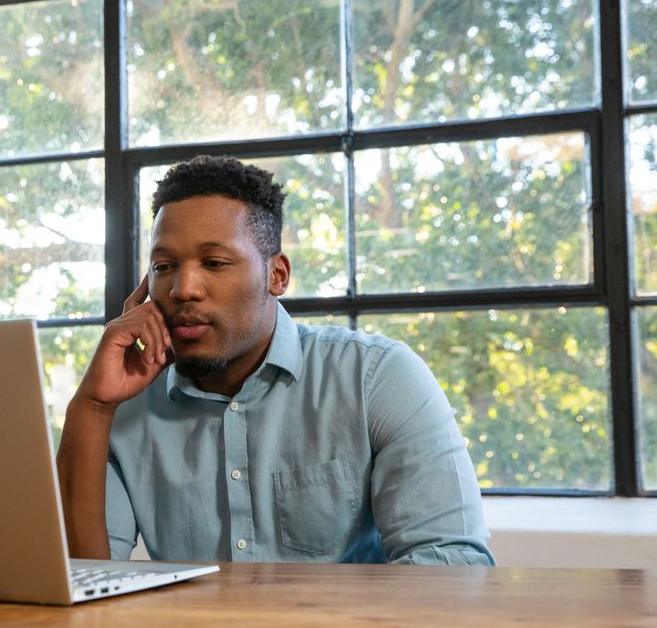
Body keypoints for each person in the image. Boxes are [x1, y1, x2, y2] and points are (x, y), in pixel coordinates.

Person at [56, 155, 494, 565]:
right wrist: (91, 408)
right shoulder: (123, 407)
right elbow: (85, 582)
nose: (183, 289)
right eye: (164, 266)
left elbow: (452, 565)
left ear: (277, 275)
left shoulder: (376, 377)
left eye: (214, 262)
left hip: (348, 626)